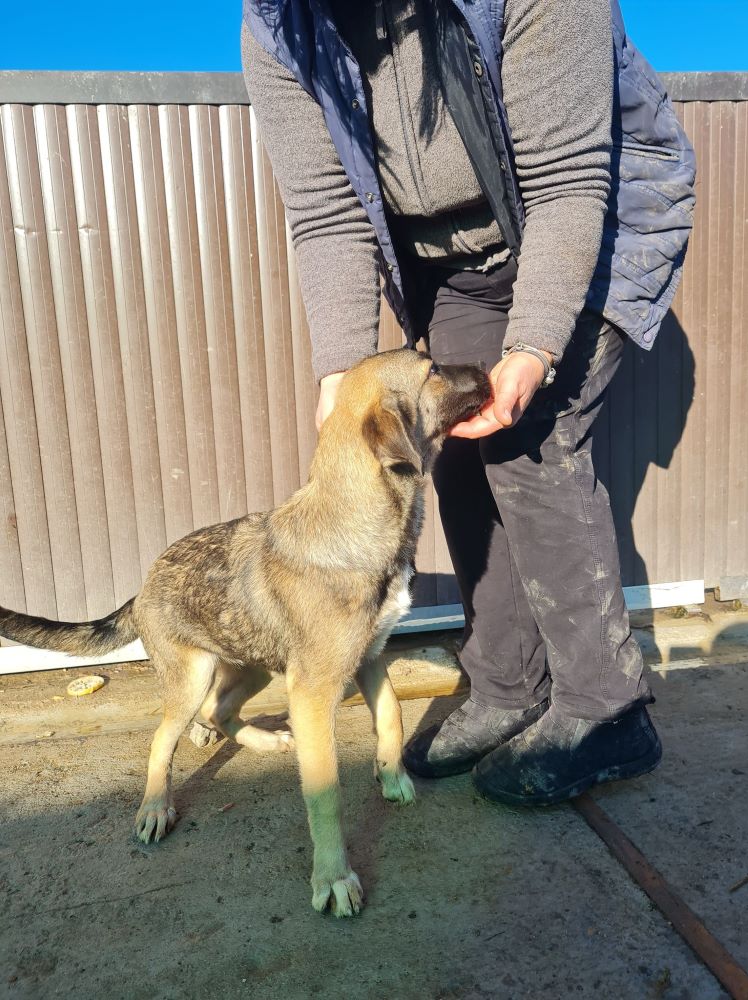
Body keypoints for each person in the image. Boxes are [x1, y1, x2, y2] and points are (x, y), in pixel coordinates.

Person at [241, 0, 695, 805]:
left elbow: (567, 181)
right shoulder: (282, 22)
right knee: (450, 449)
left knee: (531, 446)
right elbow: (325, 214)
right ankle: (506, 687)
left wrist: (534, 349)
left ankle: (606, 709)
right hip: (453, 258)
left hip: (592, 218)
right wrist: (340, 371)